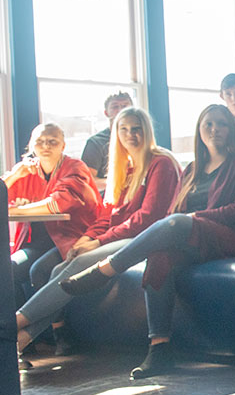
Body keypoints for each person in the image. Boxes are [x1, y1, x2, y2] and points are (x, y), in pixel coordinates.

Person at [61, 105, 235, 379]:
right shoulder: (194, 168)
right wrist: (186, 221)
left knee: (178, 223)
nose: (215, 130)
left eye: (222, 124)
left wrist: (192, 218)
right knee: (161, 253)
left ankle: (106, 270)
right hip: (200, 238)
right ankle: (159, 349)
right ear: (199, 131)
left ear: (232, 129)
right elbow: (175, 211)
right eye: (208, 125)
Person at [14, 108, 180, 367]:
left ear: (146, 131)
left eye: (136, 128)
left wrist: (99, 242)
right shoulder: (125, 168)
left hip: (147, 239)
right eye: (123, 129)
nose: (130, 135)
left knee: (81, 264)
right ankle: (22, 339)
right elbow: (108, 213)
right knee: (60, 267)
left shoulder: (161, 163)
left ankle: (15, 322)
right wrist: (88, 237)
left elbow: (147, 218)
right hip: (123, 237)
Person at [6, 123, 100, 306]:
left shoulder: (75, 167)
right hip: (36, 242)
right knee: (8, 270)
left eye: (52, 142)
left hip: (71, 239)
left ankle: (57, 330)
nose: (46, 146)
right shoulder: (26, 171)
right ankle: (16, 326)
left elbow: (60, 202)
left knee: (39, 270)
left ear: (63, 146)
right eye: (40, 142)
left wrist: (17, 210)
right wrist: (14, 175)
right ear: (31, 146)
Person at [81, 91, 134, 188]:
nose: (120, 110)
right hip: (109, 198)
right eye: (115, 107)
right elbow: (88, 180)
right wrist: (120, 183)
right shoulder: (95, 143)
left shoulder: (139, 139)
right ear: (106, 113)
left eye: (124, 106)